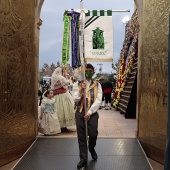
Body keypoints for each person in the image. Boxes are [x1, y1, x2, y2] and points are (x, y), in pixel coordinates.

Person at [73, 63, 102, 169]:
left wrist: (89, 112)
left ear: (93, 72)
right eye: (87, 71)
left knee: (93, 134)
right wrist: (81, 89)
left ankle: (92, 148)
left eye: (90, 71)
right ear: (83, 72)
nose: (88, 73)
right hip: (80, 113)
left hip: (92, 114)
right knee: (81, 137)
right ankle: (83, 158)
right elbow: (75, 99)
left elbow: (98, 101)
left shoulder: (97, 85)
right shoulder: (78, 84)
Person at [51, 67, 76, 132]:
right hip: (63, 96)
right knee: (64, 110)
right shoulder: (61, 78)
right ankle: (64, 126)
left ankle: (58, 125)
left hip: (55, 96)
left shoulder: (53, 77)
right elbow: (68, 83)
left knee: (58, 111)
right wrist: (68, 78)